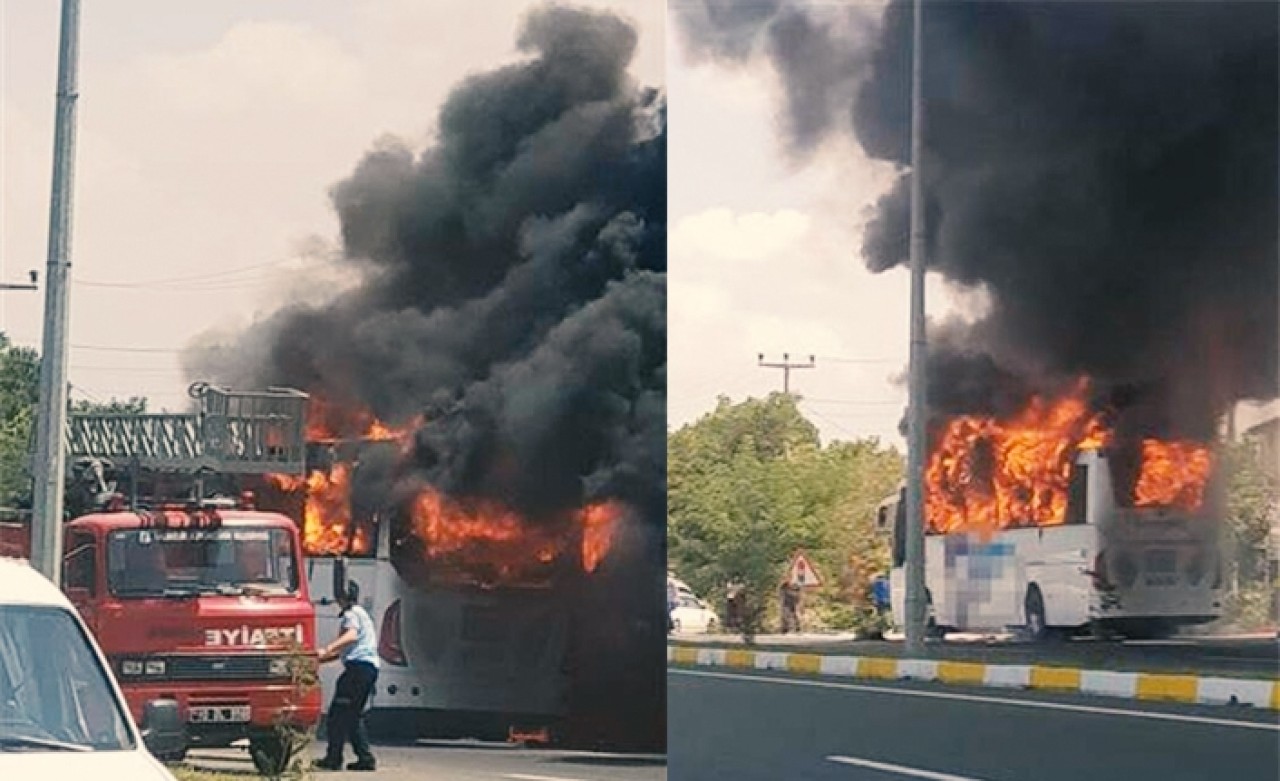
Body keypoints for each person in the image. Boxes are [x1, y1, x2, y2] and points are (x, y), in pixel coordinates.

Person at [314, 581, 380, 772]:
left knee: (337, 714)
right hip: (366, 669)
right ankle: (365, 758)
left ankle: (333, 758)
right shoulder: (361, 614)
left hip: (357, 670)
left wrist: (327, 647)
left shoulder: (351, 614)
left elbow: (350, 637)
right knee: (353, 714)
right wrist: (320, 660)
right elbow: (346, 650)